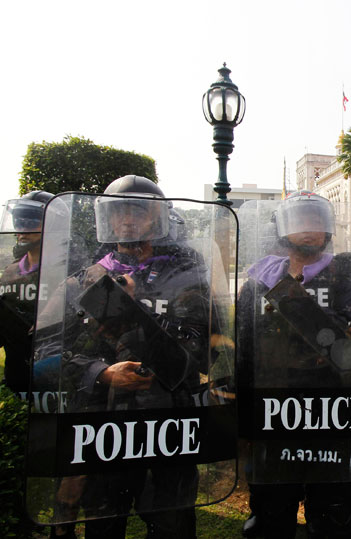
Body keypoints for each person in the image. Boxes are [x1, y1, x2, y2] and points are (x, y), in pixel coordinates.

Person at [54, 176, 212, 538]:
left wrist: (132, 311)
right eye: (118, 212)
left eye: (137, 211)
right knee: (103, 522)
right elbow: (49, 354)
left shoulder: (184, 272)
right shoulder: (85, 278)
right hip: (104, 422)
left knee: (172, 522)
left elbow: (198, 352)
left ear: (158, 217)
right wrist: (101, 373)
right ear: (105, 220)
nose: (127, 220)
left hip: (168, 420)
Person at [237, 191, 351, 539]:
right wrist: (243, 418)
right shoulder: (258, 282)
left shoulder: (346, 277)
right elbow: (244, 349)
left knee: (332, 509)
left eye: (317, 221)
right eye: (299, 221)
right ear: (282, 229)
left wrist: (300, 307)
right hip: (274, 409)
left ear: (328, 230)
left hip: (329, 408)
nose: (309, 229)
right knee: (271, 508)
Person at [0, 191, 54, 394]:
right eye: (18, 220)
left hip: (54, 378)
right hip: (17, 379)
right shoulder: (11, 271)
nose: (23, 228)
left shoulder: (66, 269)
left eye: (32, 220)